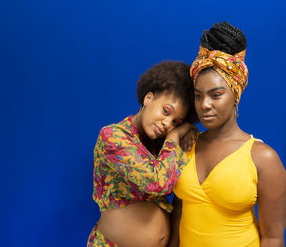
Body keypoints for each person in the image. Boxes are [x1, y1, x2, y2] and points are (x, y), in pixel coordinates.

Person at [168, 22, 286, 247]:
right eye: (198, 95)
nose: (204, 105)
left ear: (235, 95)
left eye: (215, 95)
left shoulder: (263, 159)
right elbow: (179, 211)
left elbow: (273, 239)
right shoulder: (187, 144)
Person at [87, 60, 198, 247]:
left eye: (175, 122)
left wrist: (190, 129)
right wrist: (177, 134)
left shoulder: (160, 146)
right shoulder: (112, 137)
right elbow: (157, 182)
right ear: (148, 98)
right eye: (166, 111)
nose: (167, 123)